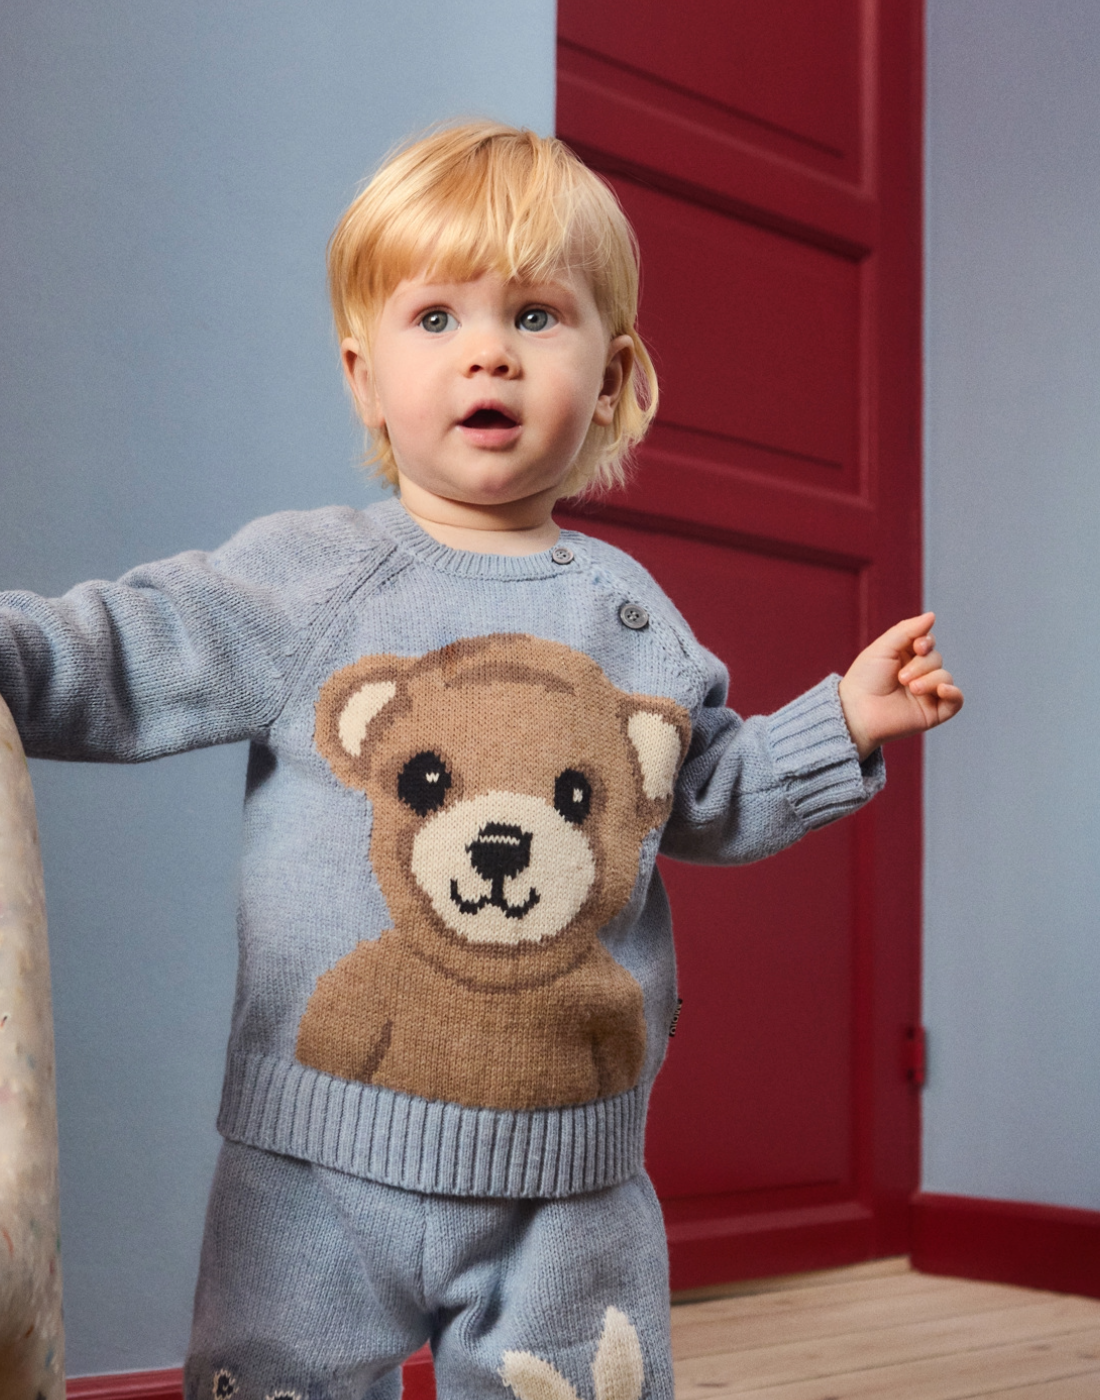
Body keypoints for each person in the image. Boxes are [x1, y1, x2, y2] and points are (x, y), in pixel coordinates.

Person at [0, 121, 961, 1400]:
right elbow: (127, 648)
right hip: (311, 1158)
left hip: (568, 1179)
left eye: (536, 315)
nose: (488, 351)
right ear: (365, 376)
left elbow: (703, 792)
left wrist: (837, 721)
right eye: (437, 317)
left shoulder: (628, 615)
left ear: (612, 378)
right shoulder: (308, 579)